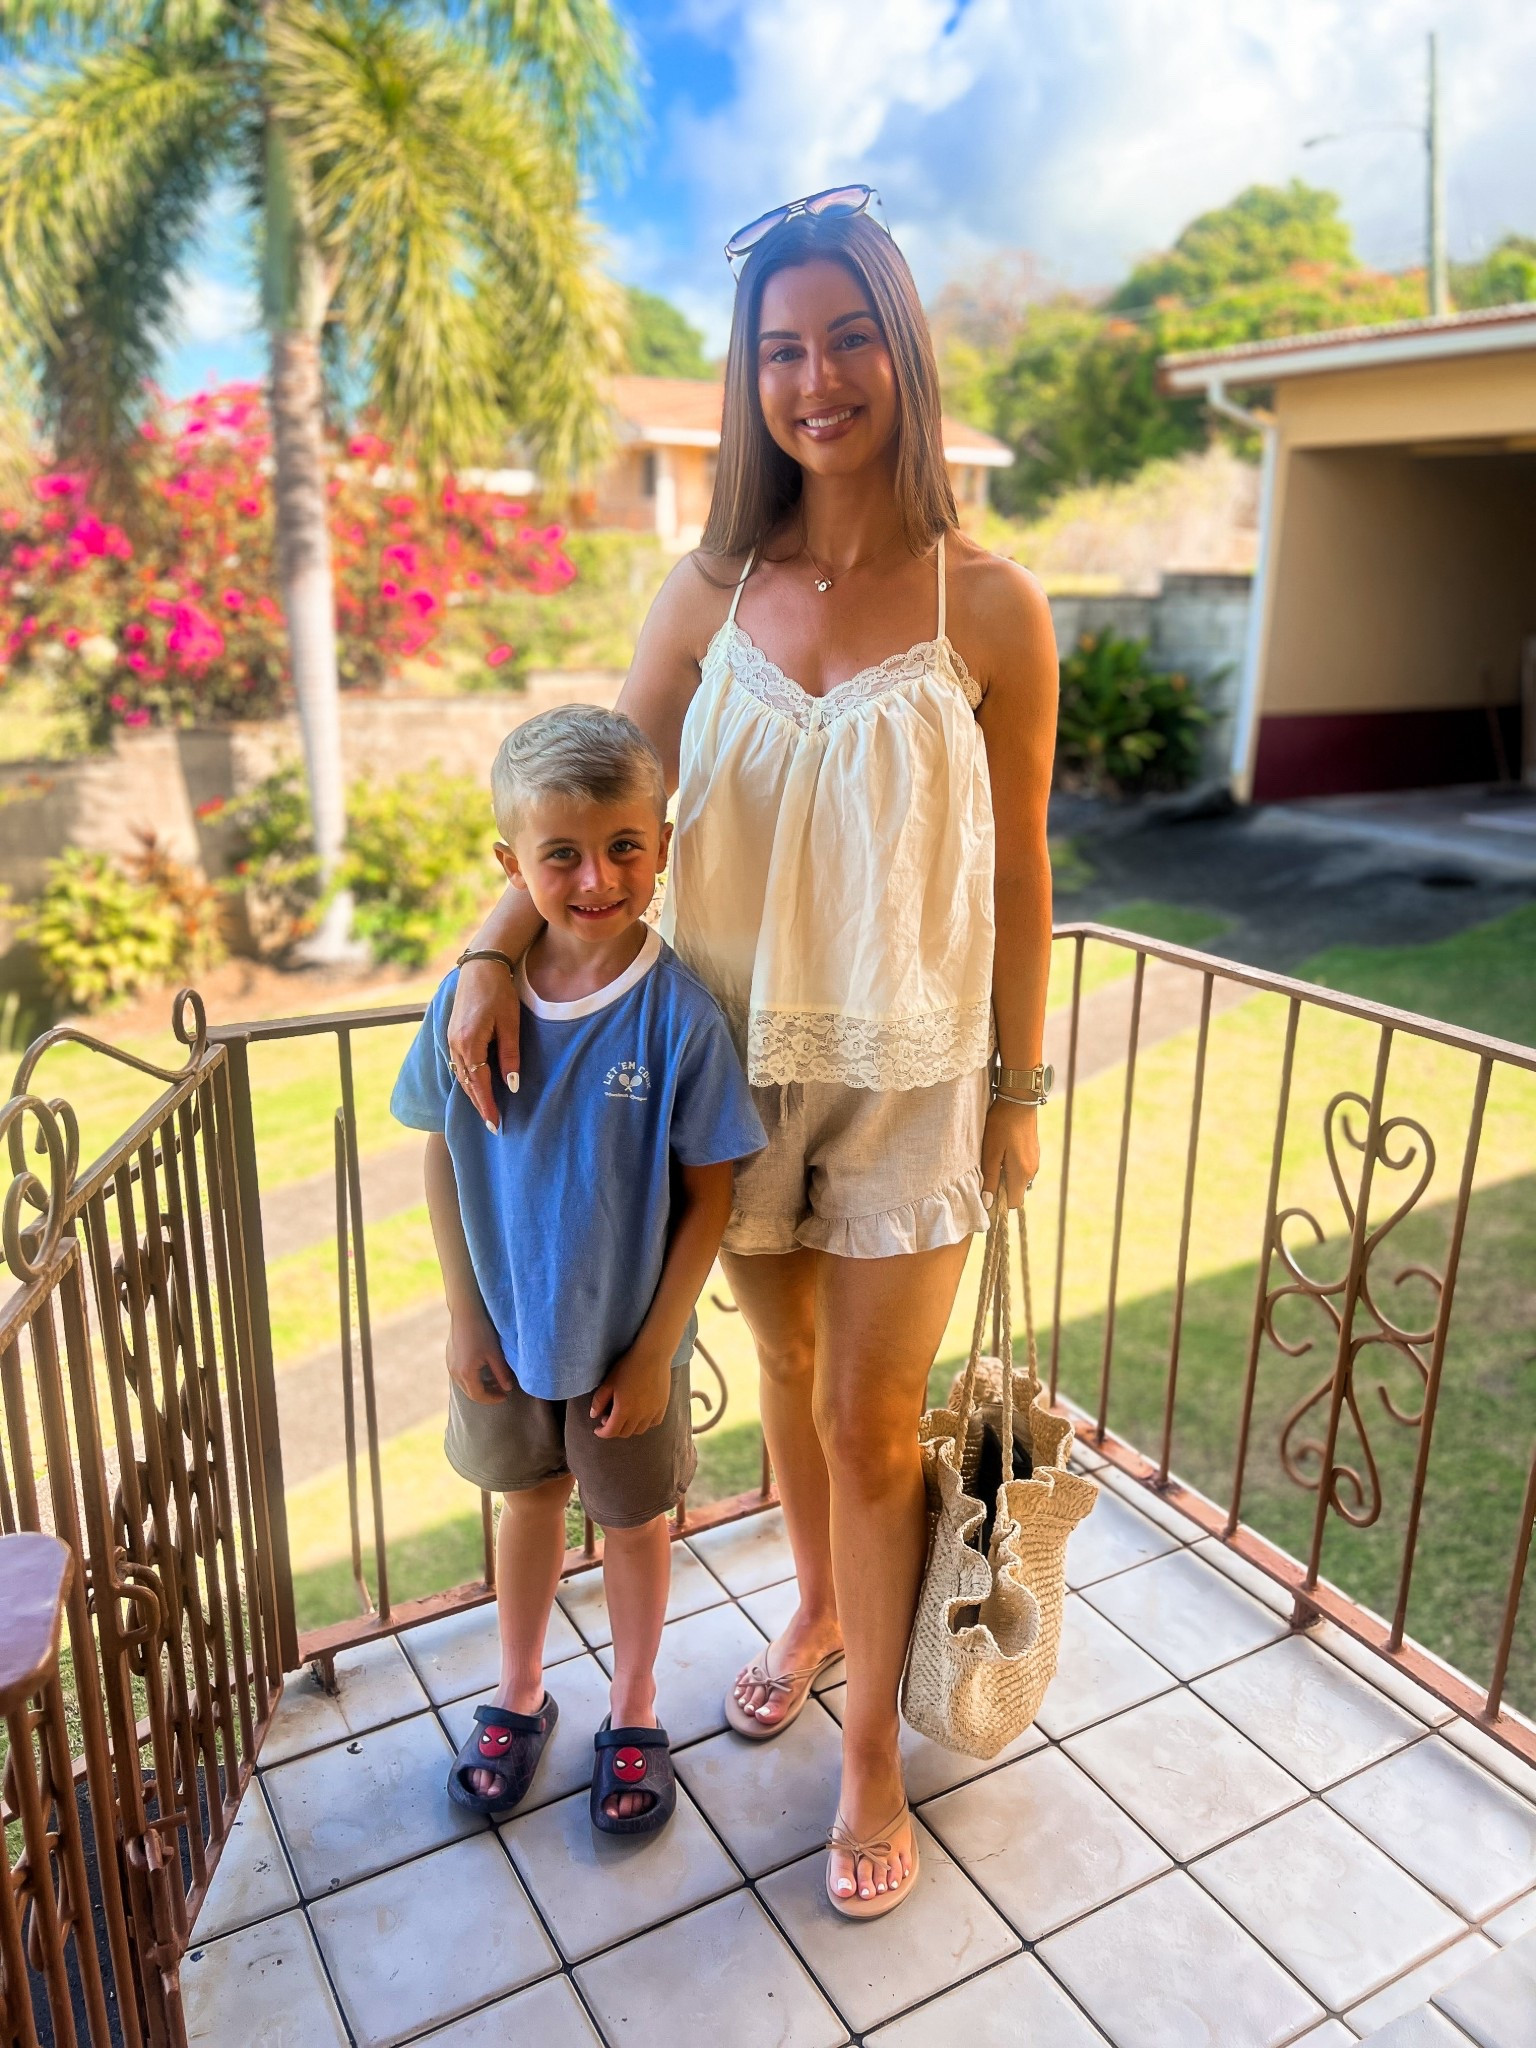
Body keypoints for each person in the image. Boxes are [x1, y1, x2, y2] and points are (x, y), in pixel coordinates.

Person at [445, 189, 1057, 1915]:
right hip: (721, 1078)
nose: (818, 377)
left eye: (850, 336)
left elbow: (1021, 868)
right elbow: (583, 807)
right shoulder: (707, 584)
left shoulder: (992, 603)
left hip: (912, 1072)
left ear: (903, 353)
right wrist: (494, 951)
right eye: (781, 348)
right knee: (792, 1389)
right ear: (748, 379)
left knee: (874, 1419)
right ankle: (818, 1605)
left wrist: (1016, 1090)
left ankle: (870, 1753)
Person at [391, 706, 765, 1834]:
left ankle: (635, 1705)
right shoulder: (466, 1007)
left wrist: (656, 1350)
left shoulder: (679, 1017)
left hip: (628, 1350)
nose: (597, 877)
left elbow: (711, 1191)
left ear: (662, 845)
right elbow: (443, 1160)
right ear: (512, 863)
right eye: (561, 853)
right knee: (527, 1505)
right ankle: (515, 1695)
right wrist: (466, 1320)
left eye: (623, 847)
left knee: (637, 1524)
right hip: (503, 1335)